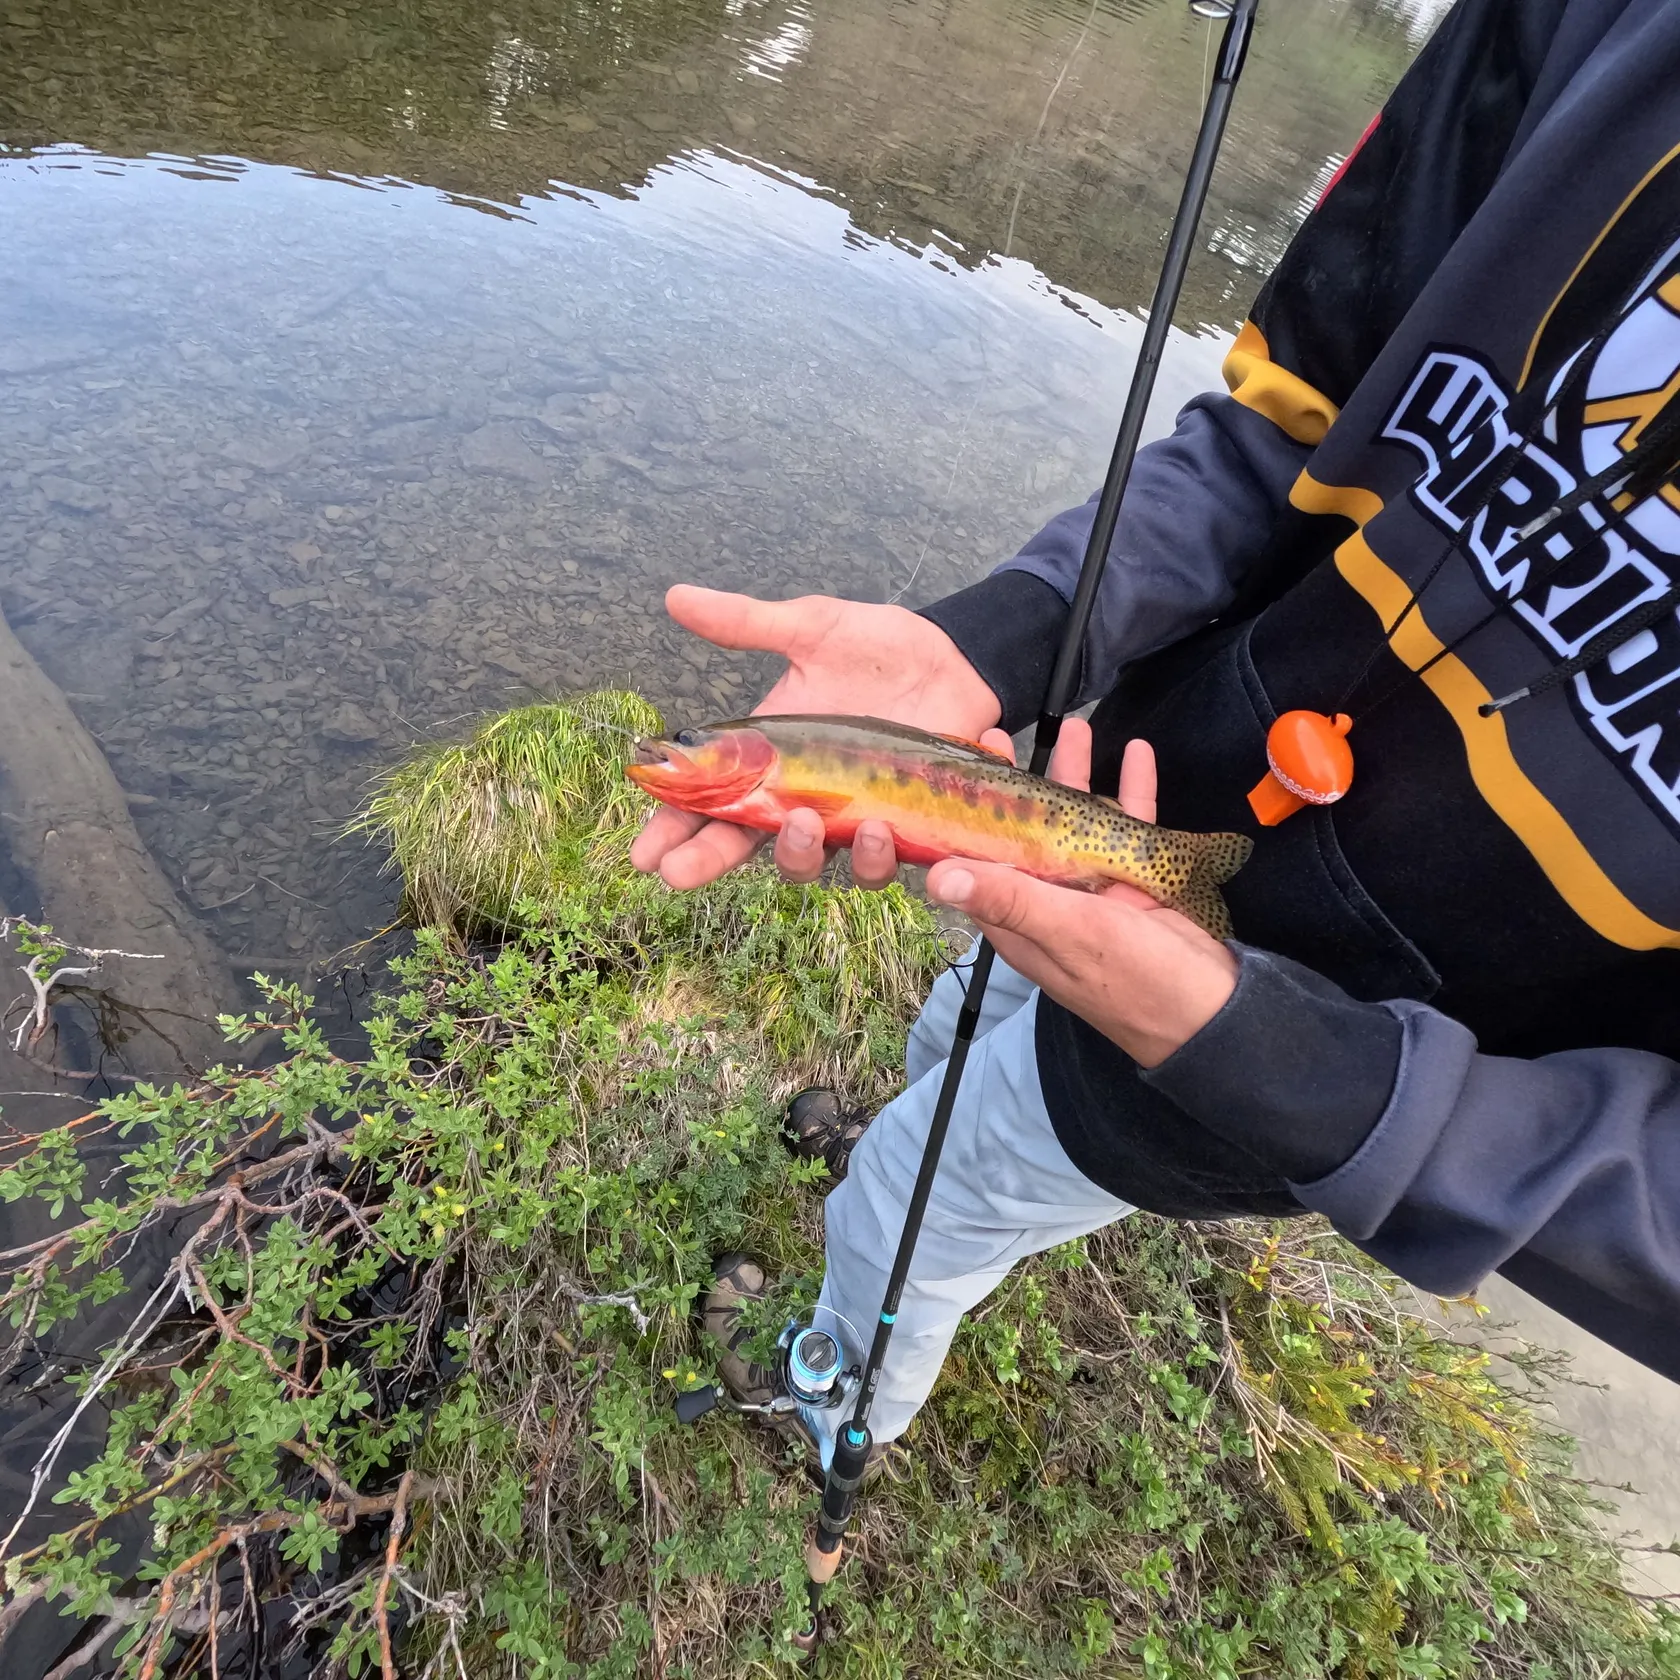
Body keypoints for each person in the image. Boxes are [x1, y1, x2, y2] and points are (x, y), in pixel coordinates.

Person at [634, 0, 1680, 1472]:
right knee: (961, 1015)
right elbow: (1279, 430)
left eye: (692, 750)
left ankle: (836, 1397)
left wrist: (1327, 1084)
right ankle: (909, 1118)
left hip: (1278, 1052)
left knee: (910, 1201)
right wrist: (996, 638)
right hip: (1114, 797)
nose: (681, 759)